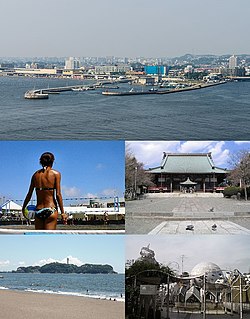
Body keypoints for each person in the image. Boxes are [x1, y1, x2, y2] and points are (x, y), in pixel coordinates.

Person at [22, 152, 67, 230]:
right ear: (52, 161)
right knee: (49, 239)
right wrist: (63, 213)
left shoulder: (35, 175)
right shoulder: (56, 174)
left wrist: (23, 208)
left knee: (39, 239)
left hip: (38, 210)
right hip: (51, 209)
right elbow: (58, 194)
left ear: (41, 161)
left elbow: (29, 194)